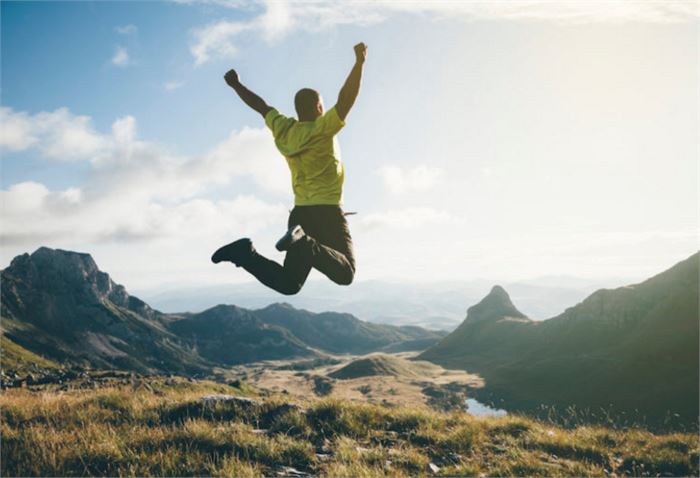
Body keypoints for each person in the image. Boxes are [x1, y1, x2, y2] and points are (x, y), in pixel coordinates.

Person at [211, 43, 367, 295]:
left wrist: (236, 85)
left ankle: (245, 254)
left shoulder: (284, 129)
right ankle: (305, 242)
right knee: (346, 273)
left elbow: (260, 105)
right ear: (319, 108)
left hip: (300, 215)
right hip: (328, 212)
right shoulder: (323, 128)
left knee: (289, 283)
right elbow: (347, 97)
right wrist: (359, 63)